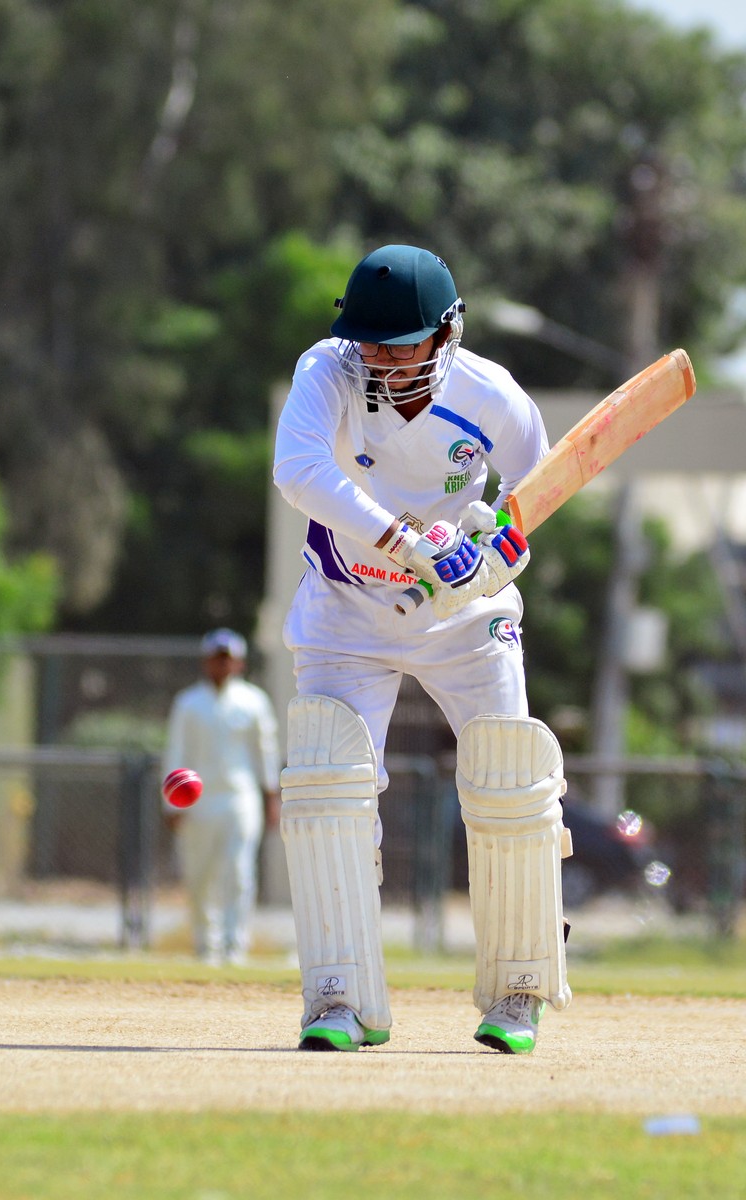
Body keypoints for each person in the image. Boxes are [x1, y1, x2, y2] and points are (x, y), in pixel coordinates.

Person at [273, 244, 572, 1052]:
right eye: (369, 344)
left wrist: (493, 557)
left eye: (401, 347)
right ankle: (340, 998)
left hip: (465, 619)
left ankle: (519, 990)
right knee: (327, 783)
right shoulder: (327, 371)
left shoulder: (492, 396)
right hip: (346, 605)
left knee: (511, 779)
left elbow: (533, 496)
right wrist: (406, 543)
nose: (381, 362)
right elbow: (298, 469)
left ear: (446, 334)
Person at [162, 628, 280, 965]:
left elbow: (265, 751)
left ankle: (234, 945)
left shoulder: (254, 701)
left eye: (228, 659)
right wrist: (170, 803)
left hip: (240, 798)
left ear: (239, 663)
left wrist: (271, 796)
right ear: (206, 662)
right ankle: (206, 944)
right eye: (217, 659)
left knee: (239, 872)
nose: (222, 665)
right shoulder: (189, 703)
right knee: (199, 875)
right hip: (197, 802)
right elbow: (176, 751)